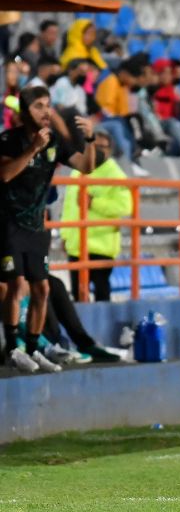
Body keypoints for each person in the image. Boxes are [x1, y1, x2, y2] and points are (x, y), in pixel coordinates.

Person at [0, 85, 95, 372]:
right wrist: (32, 149)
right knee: (16, 285)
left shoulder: (54, 142)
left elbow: (86, 166)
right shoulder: (8, 140)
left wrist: (89, 139)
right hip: (7, 224)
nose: (46, 112)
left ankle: (32, 348)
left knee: (42, 287)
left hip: (37, 227)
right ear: (25, 111)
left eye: (48, 105)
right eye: (39, 106)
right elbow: (4, 175)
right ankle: (14, 347)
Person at [60, 130, 132, 302]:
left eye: (102, 146)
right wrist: (65, 235)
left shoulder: (116, 175)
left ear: (110, 150)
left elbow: (125, 207)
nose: (97, 150)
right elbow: (69, 206)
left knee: (101, 291)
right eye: (93, 145)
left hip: (101, 245)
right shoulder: (78, 171)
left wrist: (94, 203)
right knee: (78, 293)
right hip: (77, 244)